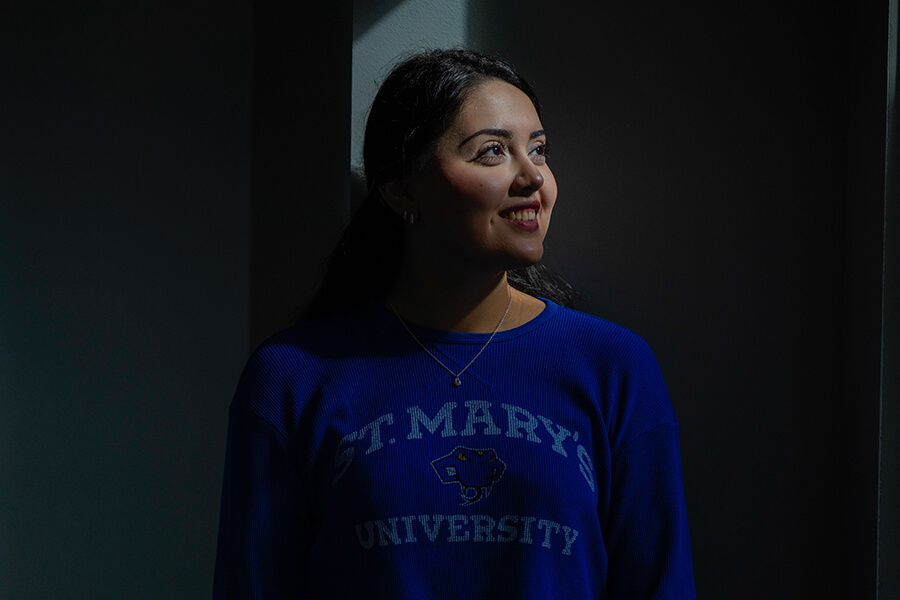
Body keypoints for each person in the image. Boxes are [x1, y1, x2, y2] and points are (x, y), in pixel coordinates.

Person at [213, 48, 696, 599]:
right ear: (401, 189)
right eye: (493, 152)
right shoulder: (291, 378)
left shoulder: (615, 368)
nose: (532, 177)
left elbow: (659, 585)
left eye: (538, 150)